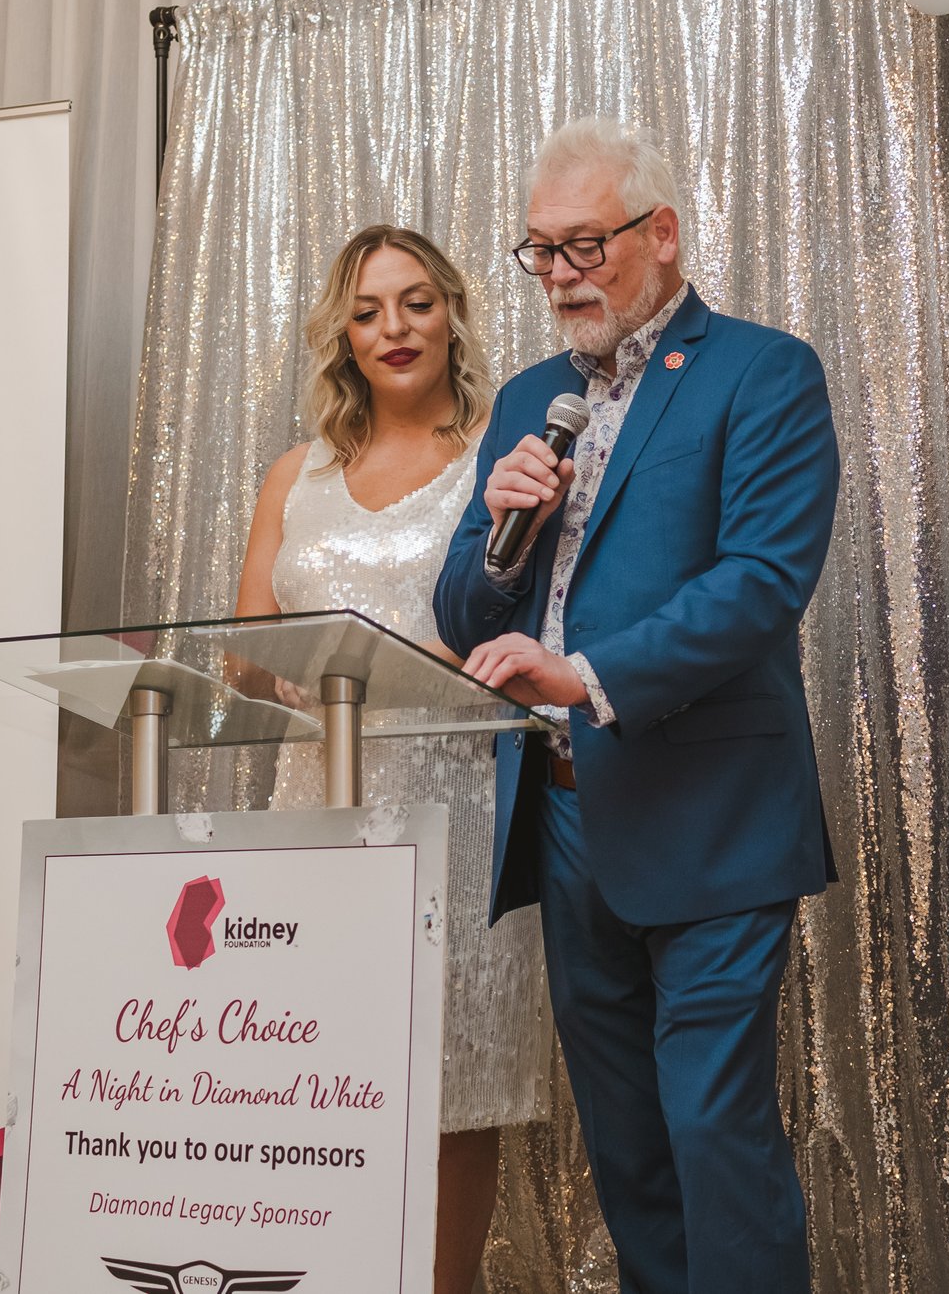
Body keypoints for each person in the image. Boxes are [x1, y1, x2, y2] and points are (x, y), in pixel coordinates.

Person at [433, 118, 841, 1294]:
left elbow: (761, 581)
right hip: (566, 820)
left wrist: (592, 677)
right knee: (628, 1149)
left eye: (584, 245)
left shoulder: (761, 370)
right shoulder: (523, 397)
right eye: (539, 251)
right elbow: (465, 609)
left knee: (715, 1130)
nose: (560, 275)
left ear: (660, 234)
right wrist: (506, 542)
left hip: (712, 814)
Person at [235, 224, 550, 1294]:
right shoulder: (295, 472)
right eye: (368, 311)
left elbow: (523, 623)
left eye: (414, 301)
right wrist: (267, 669)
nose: (393, 327)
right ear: (342, 335)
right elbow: (243, 649)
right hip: (314, 810)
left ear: (451, 310)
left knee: (449, 1085)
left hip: (453, 805)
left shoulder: (496, 461)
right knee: (317, 1077)